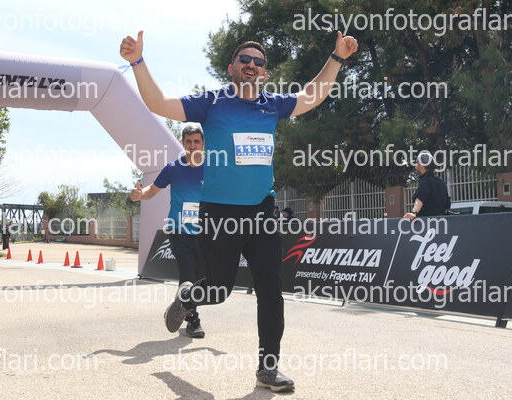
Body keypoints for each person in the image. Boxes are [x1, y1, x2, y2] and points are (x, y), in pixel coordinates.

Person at [120, 30, 358, 392]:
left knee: (270, 290)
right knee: (218, 291)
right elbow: (158, 102)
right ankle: (188, 297)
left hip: (262, 211)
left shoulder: (273, 104)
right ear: (231, 68)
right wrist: (137, 61)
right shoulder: (211, 103)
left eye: (258, 62)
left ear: (265, 72)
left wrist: (337, 58)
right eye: (244, 59)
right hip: (219, 214)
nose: (251, 64)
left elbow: (313, 95)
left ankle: (268, 369)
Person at [130, 124, 206, 338]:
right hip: (179, 230)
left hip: (206, 231)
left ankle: (176, 309)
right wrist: (140, 195)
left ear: (203, 143)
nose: (192, 146)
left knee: (201, 278)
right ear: (183, 143)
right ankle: (192, 320)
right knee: (188, 275)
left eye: (196, 141)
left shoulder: (213, 168)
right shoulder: (173, 168)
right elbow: (151, 190)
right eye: (188, 142)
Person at [403, 151, 451, 220]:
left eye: (417, 163)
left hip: (427, 222)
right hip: (442, 222)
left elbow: (420, 198)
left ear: (421, 165)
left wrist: (413, 212)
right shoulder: (441, 182)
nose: (416, 166)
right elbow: (447, 204)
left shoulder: (425, 180)